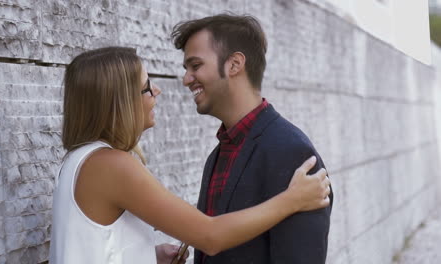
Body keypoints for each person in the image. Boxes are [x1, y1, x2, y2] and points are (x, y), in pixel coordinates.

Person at [49, 47, 331, 264]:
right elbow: (210, 236)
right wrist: (291, 200)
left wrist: (149, 256)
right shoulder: (111, 165)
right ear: (120, 102)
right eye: (146, 87)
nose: (156, 91)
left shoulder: (78, 161)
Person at [171, 13, 334, 264]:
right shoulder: (218, 155)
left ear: (234, 64)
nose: (186, 79)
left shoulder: (292, 153)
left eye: (195, 66)